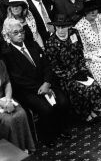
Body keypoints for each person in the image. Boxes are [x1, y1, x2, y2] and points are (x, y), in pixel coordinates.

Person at [2, 18, 71, 147]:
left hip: (46, 83)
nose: (20, 35)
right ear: (8, 35)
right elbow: (19, 79)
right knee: (46, 109)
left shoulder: (32, 44)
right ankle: (48, 137)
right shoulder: (8, 54)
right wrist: (41, 88)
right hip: (28, 90)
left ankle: (62, 129)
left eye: (21, 31)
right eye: (15, 32)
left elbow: (47, 65)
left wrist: (47, 83)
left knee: (63, 101)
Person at [44, 14, 101, 121]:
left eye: (63, 27)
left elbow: (80, 53)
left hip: (80, 70)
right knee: (81, 88)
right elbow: (54, 68)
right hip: (66, 77)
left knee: (94, 84)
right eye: (58, 27)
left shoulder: (74, 33)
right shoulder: (51, 43)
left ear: (68, 26)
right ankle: (85, 114)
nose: (60, 30)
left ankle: (92, 109)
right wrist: (72, 75)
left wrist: (82, 69)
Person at [0, 59, 35, 152]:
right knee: (8, 120)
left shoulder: (1, 63)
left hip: (4, 98)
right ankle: (14, 152)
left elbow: (7, 83)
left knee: (21, 113)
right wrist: (4, 104)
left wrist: (7, 100)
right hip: (0, 103)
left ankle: (26, 147)